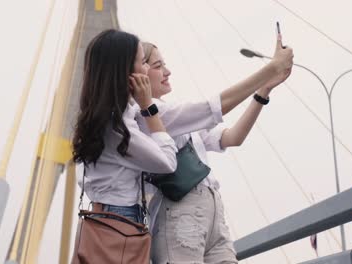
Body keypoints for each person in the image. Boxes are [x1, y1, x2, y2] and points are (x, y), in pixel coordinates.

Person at [138, 35, 292, 263]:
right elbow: (214, 108)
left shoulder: (177, 116)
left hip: (212, 213)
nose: (168, 71)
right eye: (158, 66)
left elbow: (232, 137)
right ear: (140, 74)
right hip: (181, 213)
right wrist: (271, 68)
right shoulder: (150, 114)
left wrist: (263, 91)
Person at [72, 29, 178, 224]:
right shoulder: (116, 128)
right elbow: (167, 163)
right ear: (126, 70)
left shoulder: (100, 118)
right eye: (142, 62)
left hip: (106, 217)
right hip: (120, 219)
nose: (146, 69)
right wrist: (148, 107)